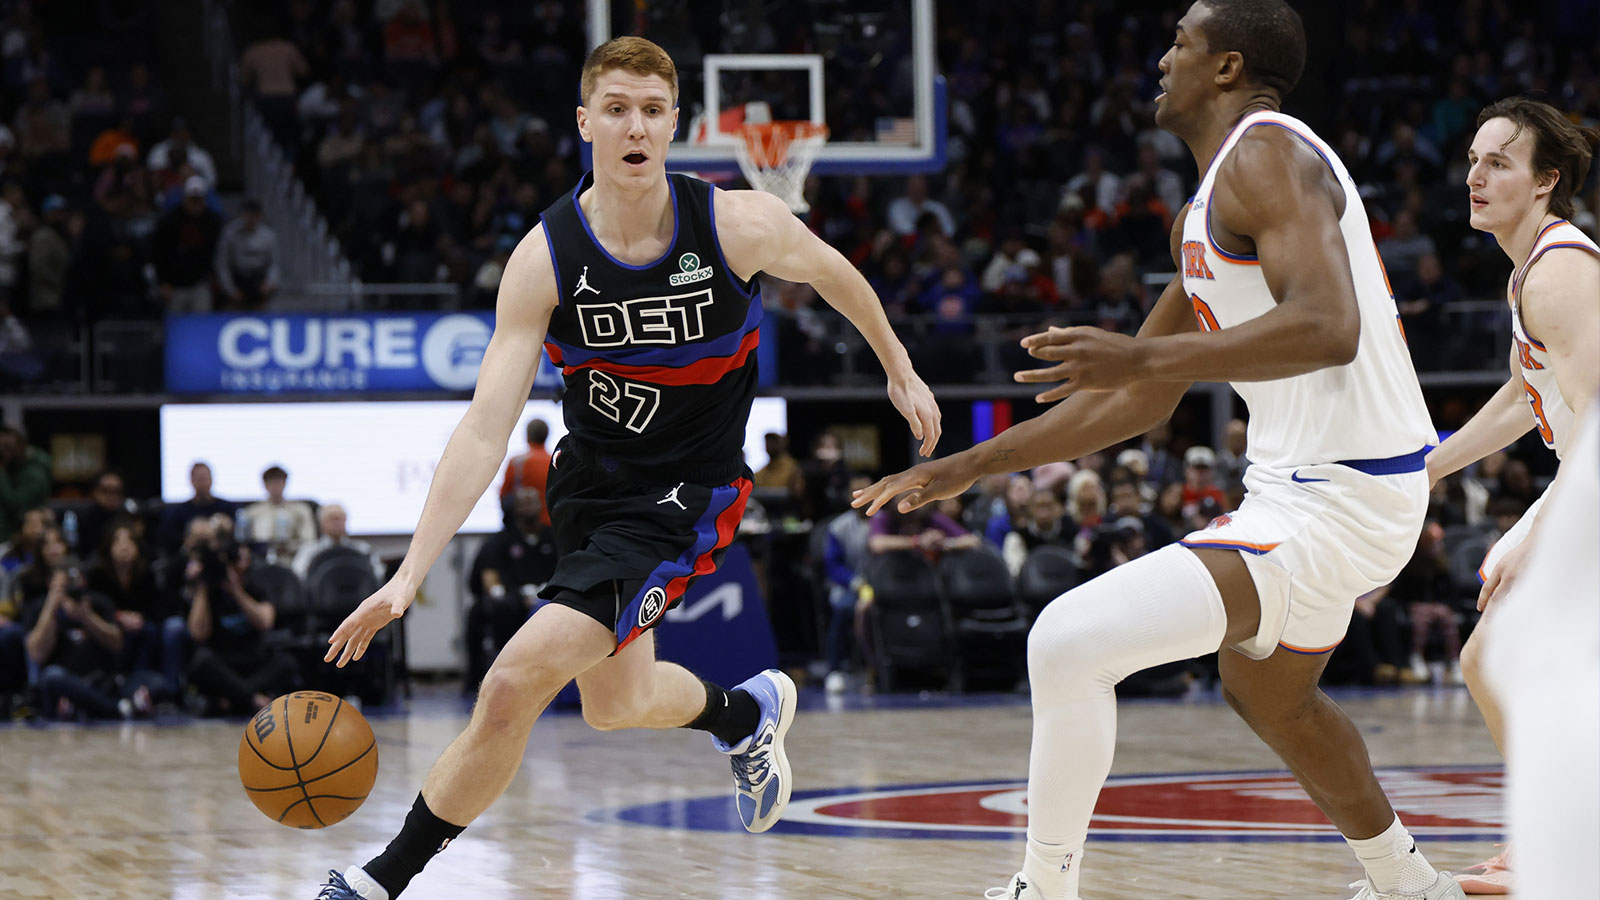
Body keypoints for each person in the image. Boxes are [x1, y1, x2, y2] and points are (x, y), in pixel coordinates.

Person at [855, 3, 1461, 899]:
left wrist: (1141, 351)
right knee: (1270, 697)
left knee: (1065, 641)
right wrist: (970, 466)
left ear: (1228, 67)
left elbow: (1327, 327)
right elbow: (1139, 399)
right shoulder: (1205, 208)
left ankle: (1044, 887)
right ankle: (1409, 884)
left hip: (1342, 491)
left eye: (1182, 40)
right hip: (1316, 492)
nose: (1163, 57)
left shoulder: (1268, 151)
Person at [313, 36, 940, 900]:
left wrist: (897, 366)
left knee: (512, 685)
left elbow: (837, 275)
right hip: (590, 488)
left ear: (674, 124)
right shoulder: (545, 258)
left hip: (687, 494)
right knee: (614, 704)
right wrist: (409, 572)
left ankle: (379, 880)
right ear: (585, 124)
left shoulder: (736, 223)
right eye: (616, 109)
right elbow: (484, 426)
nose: (635, 126)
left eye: (651, 110)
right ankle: (746, 712)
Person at [1419, 96, 1599, 894]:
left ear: (1545, 181)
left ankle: (1556, 848)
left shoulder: (1559, 270)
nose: (1476, 176)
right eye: (1472, 159)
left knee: (1499, 655)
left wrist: (1537, 536)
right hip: (1580, 478)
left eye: (1500, 162)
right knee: (1498, 657)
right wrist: (1431, 465)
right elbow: (1527, 394)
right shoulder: (1532, 269)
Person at [463, 488, 558, 691]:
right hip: (513, 600)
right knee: (493, 610)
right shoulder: (499, 541)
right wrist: (504, 595)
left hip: (548, 599)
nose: (529, 507)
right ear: (514, 509)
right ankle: (502, 671)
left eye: (532, 501)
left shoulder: (553, 537)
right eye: (523, 503)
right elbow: (490, 579)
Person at [157, 462, 236, 555]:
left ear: (211, 479)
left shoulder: (227, 508)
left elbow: (236, 535)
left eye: (205, 478)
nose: (202, 483)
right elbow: (169, 540)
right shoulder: (178, 512)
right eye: (199, 479)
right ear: (192, 481)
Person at [241, 465, 316, 559]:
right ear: (265, 485)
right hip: (258, 559)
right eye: (271, 482)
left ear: (285, 483)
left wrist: (289, 546)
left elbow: (308, 540)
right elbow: (244, 541)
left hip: (291, 558)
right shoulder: (252, 512)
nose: (275, 487)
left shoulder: (300, 511)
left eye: (278, 482)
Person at [497, 418, 552, 526]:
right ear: (546, 436)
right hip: (550, 525)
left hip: (523, 526)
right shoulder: (555, 463)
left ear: (527, 437)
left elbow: (503, 495)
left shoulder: (517, 463)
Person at [0, 425, 50, 543]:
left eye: (8, 448)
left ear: (20, 446)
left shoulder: (34, 474)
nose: (4, 453)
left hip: (25, 535)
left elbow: (14, 503)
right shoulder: (12, 468)